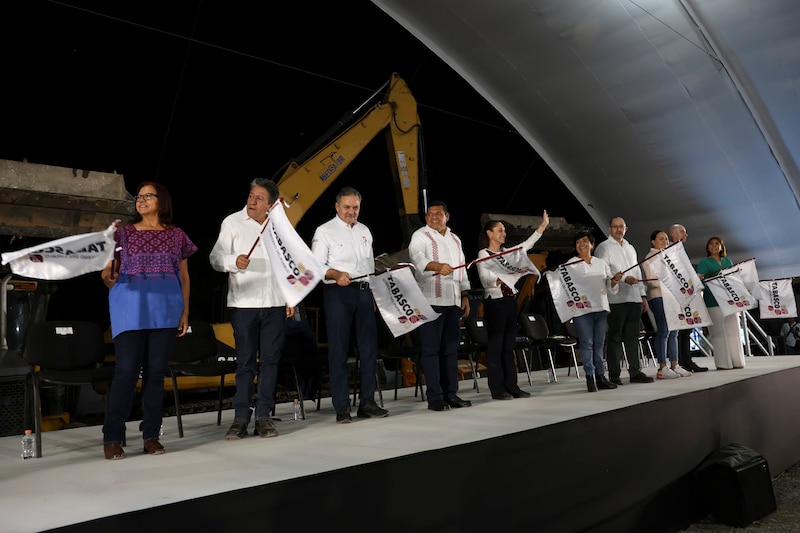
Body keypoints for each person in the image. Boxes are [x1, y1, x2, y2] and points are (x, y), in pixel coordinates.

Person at [100, 182, 197, 460]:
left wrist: (185, 312)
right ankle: (112, 437)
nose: (141, 200)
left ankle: (151, 435)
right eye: (138, 197)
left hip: (165, 311)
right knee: (126, 373)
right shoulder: (122, 234)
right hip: (130, 310)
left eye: (147, 196)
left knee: (155, 374)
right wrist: (109, 278)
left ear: (161, 201)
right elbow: (107, 274)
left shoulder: (177, 236)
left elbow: (185, 277)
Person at [209, 178, 294, 440]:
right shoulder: (232, 222)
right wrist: (234, 261)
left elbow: (289, 262)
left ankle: (264, 417)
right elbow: (215, 258)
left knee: (270, 362)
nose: (252, 201)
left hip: (275, 304)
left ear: (271, 204)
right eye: (251, 196)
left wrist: (291, 296)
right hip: (244, 305)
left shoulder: (279, 226)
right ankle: (240, 418)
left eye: (259, 198)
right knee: (245, 363)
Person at [311, 186, 389, 423]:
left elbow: (368, 267)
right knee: (339, 351)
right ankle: (342, 406)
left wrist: (374, 295)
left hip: (364, 293)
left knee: (368, 350)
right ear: (337, 207)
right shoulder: (324, 231)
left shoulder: (365, 231)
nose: (351, 211)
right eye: (347, 207)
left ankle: (367, 402)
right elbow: (316, 266)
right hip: (338, 294)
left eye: (355, 207)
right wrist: (335, 273)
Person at [476, 210, 549, 399]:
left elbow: (525, 246)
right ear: (489, 233)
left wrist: (541, 227)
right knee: (496, 346)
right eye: (499, 230)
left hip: (509, 302)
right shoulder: (484, 253)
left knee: (509, 346)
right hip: (495, 302)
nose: (504, 233)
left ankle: (512, 386)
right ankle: (498, 388)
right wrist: (501, 279)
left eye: (504, 231)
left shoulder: (507, 254)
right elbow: (485, 279)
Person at [408, 200, 473, 411]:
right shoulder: (420, 235)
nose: (433, 217)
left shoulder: (455, 239)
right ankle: (435, 397)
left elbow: (462, 268)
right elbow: (416, 257)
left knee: (451, 350)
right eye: (429, 214)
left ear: (447, 216)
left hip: (453, 300)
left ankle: (451, 394)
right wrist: (437, 266)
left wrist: (464, 295)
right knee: (431, 350)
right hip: (431, 301)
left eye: (438, 213)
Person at [594, 217, 654, 385]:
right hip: (616, 298)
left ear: (626, 228)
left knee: (632, 336)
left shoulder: (630, 247)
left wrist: (642, 295)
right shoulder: (603, 248)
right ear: (609, 228)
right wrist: (622, 279)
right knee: (614, 337)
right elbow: (604, 272)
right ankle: (614, 374)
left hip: (634, 297)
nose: (619, 230)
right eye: (615, 227)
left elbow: (637, 271)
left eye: (621, 227)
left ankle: (635, 371)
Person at [569, 230, 620, 392]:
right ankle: (590, 378)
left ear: (592, 244)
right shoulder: (570, 264)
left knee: (599, 344)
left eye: (585, 241)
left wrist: (614, 281)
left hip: (601, 308)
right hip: (582, 311)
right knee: (587, 343)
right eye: (578, 242)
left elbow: (611, 287)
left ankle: (601, 376)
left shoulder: (601, 263)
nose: (581, 244)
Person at [640, 230, 692, 379]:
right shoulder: (649, 258)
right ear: (653, 241)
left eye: (666, 239)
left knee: (674, 330)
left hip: (673, 297)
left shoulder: (670, 256)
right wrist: (670, 282)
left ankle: (675, 364)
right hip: (658, 297)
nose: (665, 242)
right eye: (661, 239)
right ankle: (662, 366)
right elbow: (651, 280)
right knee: (664, 330)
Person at [697, 236, 746, 369]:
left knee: (733, 330)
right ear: (708, 247)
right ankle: (723, 363)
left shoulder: (727, 261)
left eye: (717, 243)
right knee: (719, 333)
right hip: (712, 300)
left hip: (729, 300)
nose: (714, 246)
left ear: (721, 246)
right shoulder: (704, 263)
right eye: (711, 244)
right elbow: (699, 282)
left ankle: (737, 361)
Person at [668, 223, 708, 373]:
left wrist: (694, 277)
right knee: (680, 330)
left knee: (686, 330)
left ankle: (687, 361)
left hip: (686, 293)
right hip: (677, 295)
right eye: (682, 232)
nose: (686, 235)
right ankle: (680, 362)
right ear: (674, 235)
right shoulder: (670, 251)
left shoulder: (680, 250)